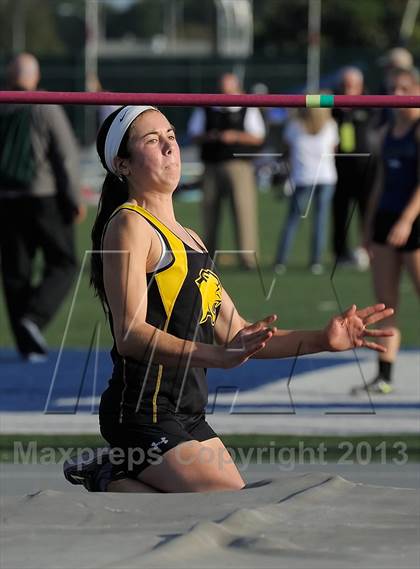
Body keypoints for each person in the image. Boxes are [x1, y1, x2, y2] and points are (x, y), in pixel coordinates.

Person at [63, 105, 394, 493]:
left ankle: (114, 470)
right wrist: (215, 357)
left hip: (186, 410)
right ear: (123, 164)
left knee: (224, 507)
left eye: (171, 136)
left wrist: (324, 339)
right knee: (223, 503)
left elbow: (237, 333)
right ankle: (109, 475)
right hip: (141, 412)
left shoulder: (192, 238)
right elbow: (131, 334)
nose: (170, 147)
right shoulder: (130, 223)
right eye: (153, 141)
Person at [0, 53, 85, 362]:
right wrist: (74, 197)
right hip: (43, 196)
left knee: (15, 272)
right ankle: (33, 320)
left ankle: (27, 343)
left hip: (6, 200)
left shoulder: (3, 104)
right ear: (34, 77)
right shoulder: (43, 104)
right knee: (64, 262)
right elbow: (65, 154)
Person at [351, 66, 420, 396]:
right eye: (393, 88)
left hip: (414, 223)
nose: (396, 95)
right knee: (385, 304)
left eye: (404, 88)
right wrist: (369, 225)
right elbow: (380, 182)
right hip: (386, 221)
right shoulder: (389, 129)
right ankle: (384, 376)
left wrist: (407, 221)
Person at [187, 72, 266, 269]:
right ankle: (208, 258)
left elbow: (258, 137)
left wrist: (236, 136)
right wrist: (212, 136)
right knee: (209, 213)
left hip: (239, 166)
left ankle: (248, 259)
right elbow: (194, 134)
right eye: (222, 90)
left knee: (243, 211)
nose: (225, 94)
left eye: (229, 90)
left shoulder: (247, 108)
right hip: (211, 165)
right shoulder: (206, 107)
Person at [273, 105, 339, 275]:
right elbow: (334, 149)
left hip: (303, 178)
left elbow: (285, 148)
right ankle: (315, 261)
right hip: (323, 178)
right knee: (319, 221)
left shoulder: (294, 126)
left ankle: (281, 261)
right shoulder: (330, 125)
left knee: (293, 221)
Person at [332, 67, 377, 270]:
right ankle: (340, 254)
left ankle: (367, 250)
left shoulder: (370, 105)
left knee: (366, 209)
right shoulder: (334, 105)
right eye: (344, 84)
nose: (347, 88)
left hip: (366, 166)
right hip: (340, 165)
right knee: (339, 211)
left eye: (351, 84)